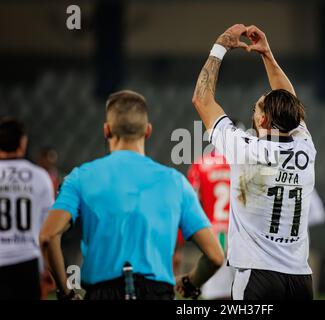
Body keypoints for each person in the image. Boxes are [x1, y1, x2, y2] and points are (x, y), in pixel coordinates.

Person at [39, 90, 224, 300]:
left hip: (103, 292)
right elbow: (215, 256)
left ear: (107, 130)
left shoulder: (80, 177)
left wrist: (66, 292)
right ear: (148, 131)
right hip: (157, 293)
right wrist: (191, 281)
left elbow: (47, 236)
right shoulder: (175, 182)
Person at [188, 24, 316, 300]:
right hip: (301, 279)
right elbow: (290, 101)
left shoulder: (244, 149)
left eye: (256, 108)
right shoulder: (306, 148)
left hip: (258, 277)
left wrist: (220, 45)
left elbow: (202, 98)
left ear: (262, 120)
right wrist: (268, 55)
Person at [0, 117, 54, 300]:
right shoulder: (40, 177)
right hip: (27, 260)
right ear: (22, 143)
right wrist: (48, 266)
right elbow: (48, 230)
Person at [187, 150, 234, 299]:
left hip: (215, 238)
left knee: (217, 295)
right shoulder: (245, 163)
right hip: (242, 236)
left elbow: (191, 205)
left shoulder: (201, 164)